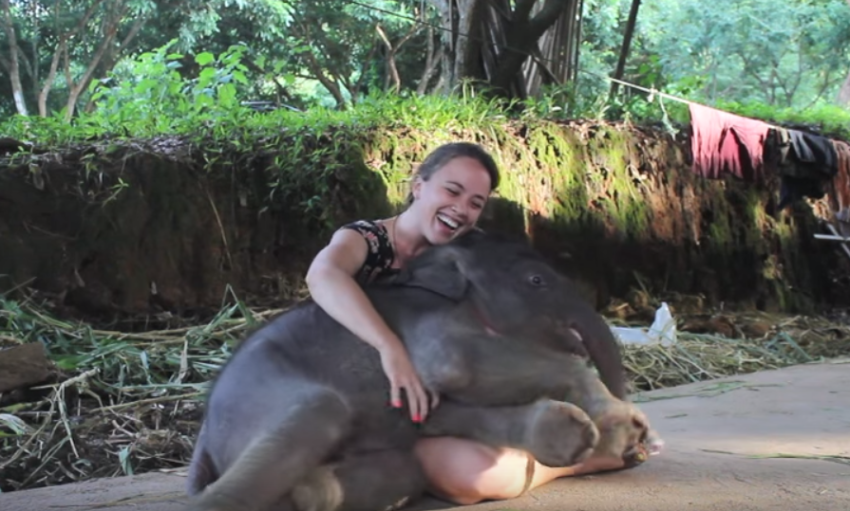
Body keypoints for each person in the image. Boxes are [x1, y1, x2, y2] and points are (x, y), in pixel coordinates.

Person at [305, 142, 629, 505]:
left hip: (444, 406)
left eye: (475, 203)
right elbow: (323, 275)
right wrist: (388, 346)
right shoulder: (368, 240)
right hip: (366, 400)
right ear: (418, 186)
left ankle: (572, 461)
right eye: (452, 191)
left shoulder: (476, 254)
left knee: (469, 476)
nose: (461, 210)